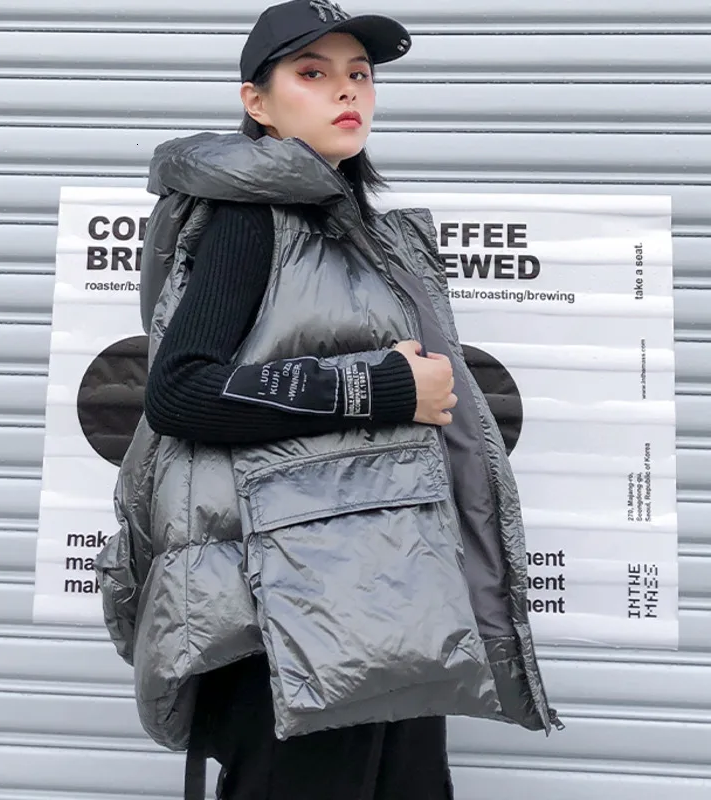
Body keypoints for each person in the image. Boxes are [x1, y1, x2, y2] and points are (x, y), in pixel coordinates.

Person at [94, 2, 560, 799]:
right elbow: (179, 392)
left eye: (359, 74)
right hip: (285, 613)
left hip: (382, 593)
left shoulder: (357, 231)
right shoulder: (250, 217)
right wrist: (383, 387)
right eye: (312, 74)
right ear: (257, 102)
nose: (347, 91)